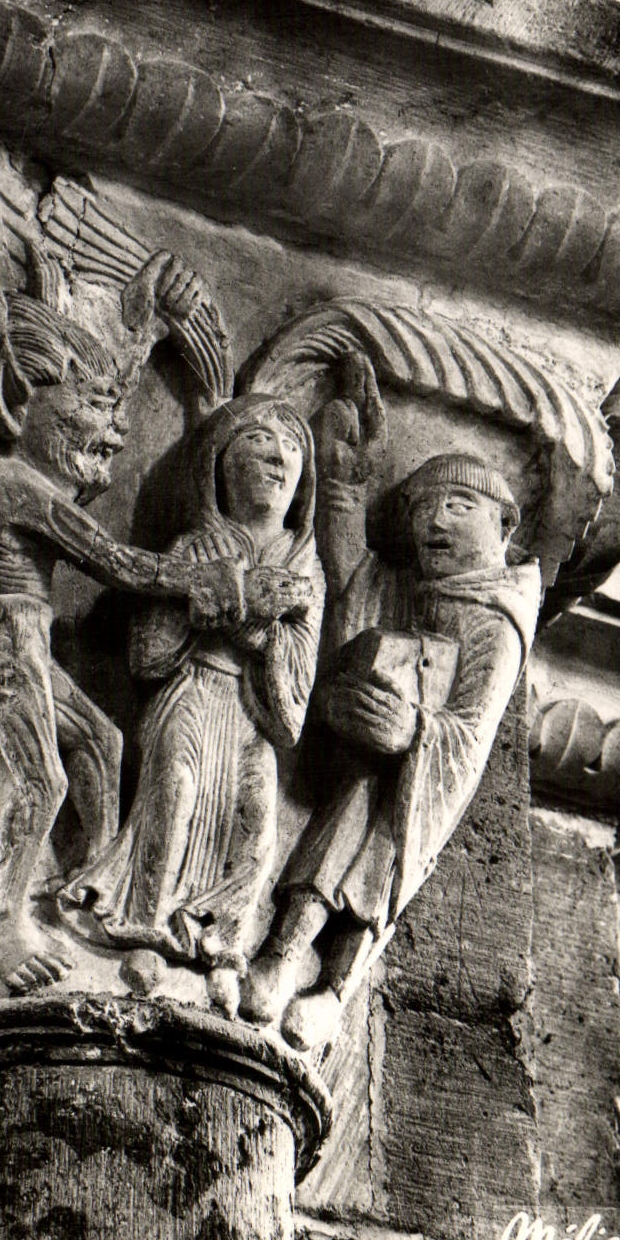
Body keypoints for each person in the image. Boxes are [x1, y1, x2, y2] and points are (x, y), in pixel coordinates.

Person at [242, 437, 541, 1050]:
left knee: (386, 823)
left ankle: (331, 986)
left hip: (420, 779)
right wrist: (346, 495)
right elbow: (351, 599)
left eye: (458, 506)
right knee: (358, 786)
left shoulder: (497, 619)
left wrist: (413, 734)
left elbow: (473, 731)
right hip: (357, 752)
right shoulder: (403, 582)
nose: (432, 521)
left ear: (505, 523)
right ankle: (282, 949)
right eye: (419, 510)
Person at [60, 396, 325, 1018]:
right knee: (174, 788)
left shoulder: (306, 571)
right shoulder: (193, 546)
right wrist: (206, 604)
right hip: (190, 693)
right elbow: (147, 658)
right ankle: (147, 927)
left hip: (251, 713)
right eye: (257, 442)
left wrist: (248, 628)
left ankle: (226, 947)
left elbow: (291, 717)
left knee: (259, 823)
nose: (276, 457)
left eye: (290, 448)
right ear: (217, 467)